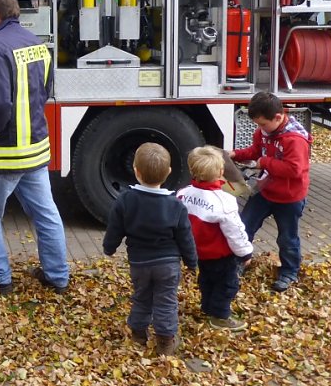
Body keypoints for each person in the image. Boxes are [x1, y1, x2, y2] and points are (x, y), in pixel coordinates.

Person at [0, 0, 69, 295]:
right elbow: (43, 91)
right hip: (34, 150)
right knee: (46, 214)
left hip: (3, 155)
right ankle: (57, 276)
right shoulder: (34, 42)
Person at [103, 142, 198, 356]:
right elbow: (185, 237)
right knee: (166, 300)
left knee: (142, 296)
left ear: (136, 172)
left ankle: (138, 332)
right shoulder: (175, 206)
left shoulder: (125, 200)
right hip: (168, 264)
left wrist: (109, 248)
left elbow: (115, 229)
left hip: (139, 262)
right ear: (169, 172)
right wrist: (192, 262)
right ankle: (165, 340)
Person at [230, 91, 311, 293]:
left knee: (287, 237)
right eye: (258, 124)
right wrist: (234, 154)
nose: (260, 129)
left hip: (289, 197)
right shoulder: (264, 132)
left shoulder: (294, 140)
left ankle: (289, 272)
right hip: (265, 191)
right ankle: (240, 261)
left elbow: (295, 169)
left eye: (263, 124)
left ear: (278, 117)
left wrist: (265, 163)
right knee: (243, 226)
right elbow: (254, 152)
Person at [178, 145, 253, 331]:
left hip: (198, 252)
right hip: (220, 255)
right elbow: (235, 231)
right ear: (221, 172)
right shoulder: (223, 201)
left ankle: (207, 306)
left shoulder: (183, 194)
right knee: (228, 284)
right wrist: (245, 253)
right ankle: (220, 315)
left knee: (206, 280)